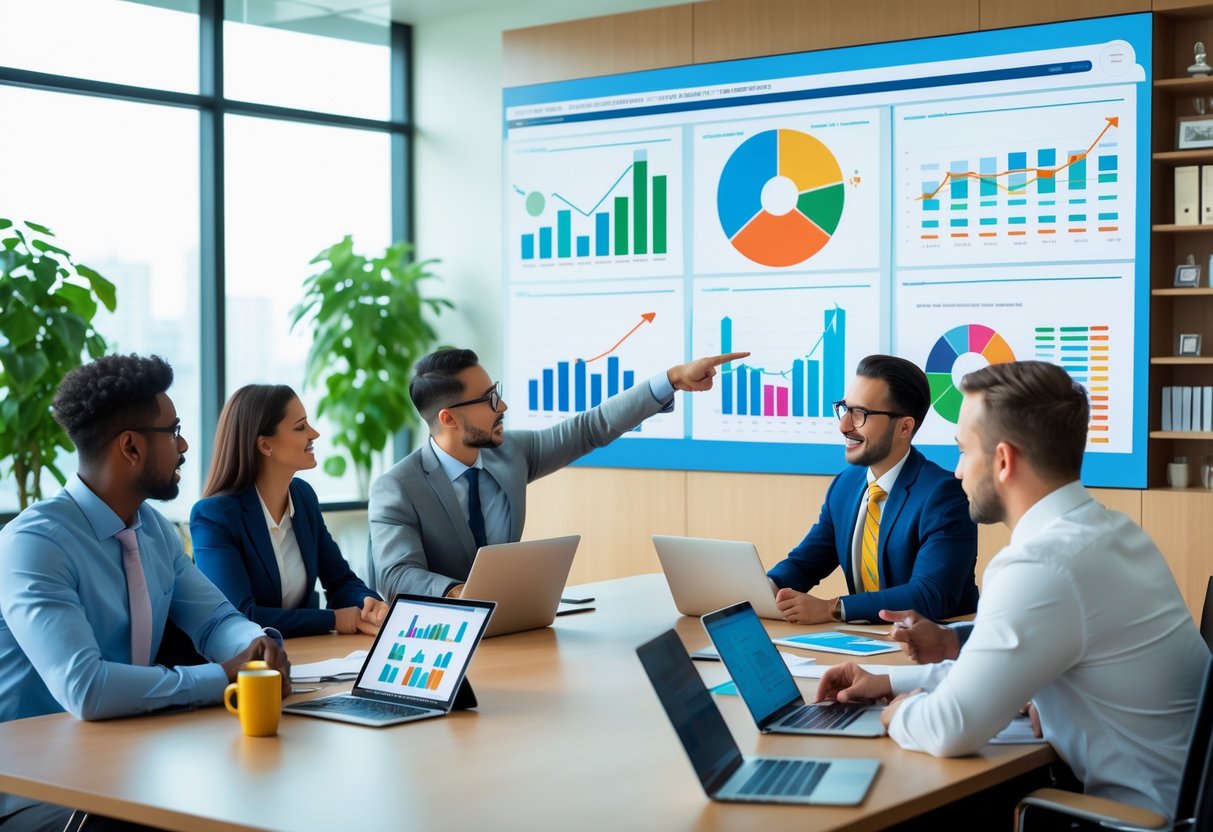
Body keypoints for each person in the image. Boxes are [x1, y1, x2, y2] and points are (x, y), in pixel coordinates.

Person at [816, 360, 1208, 822]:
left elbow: (948, 728)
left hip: (1131, 820)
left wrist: (897, 710)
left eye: (964, 451)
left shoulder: (1041, 566)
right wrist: (887, 681)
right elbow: (988, 671)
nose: (958, 472)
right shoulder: (1110, 531)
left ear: (1003, 460)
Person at [0, 354, 291, 831]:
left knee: (266, 790)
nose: (184, 444)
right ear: (131, 447)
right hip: (36, 789)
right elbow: (87, 688)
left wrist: (255, 647)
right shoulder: (34, 544)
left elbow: (215, 619)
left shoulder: (152, 529)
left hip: (128, 761)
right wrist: (224, 676)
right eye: (173, 430)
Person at [369, 347, 746, 599]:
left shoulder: (509, 453)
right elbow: (397, 576)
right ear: (448, 418)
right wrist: (461, 594)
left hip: (507, 634)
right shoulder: (397, 488)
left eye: (495, 391)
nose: (502, 405)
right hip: (437, 641)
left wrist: (673, 379)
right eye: (487, 400)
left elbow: (591, 427)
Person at [766, 354, 979, 624]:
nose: (844, 426)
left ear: (904, 427)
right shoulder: (845, 485)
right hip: (867, 643)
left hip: (934, 650)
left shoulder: (944, 495)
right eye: (845, 408)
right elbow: (804, 564)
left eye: (860, 414)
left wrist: (832, 607)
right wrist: (763, 588)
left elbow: (930, 595)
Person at [191, 385, 388, 639]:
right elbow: (241, 615)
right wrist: (334, 619)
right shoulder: (213, 516)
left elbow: (340, 581)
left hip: (306, 658)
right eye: (300, 427)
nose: (314, 434)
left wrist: (367, 602)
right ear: (265, 445)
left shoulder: (303, 497)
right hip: (246, 668)